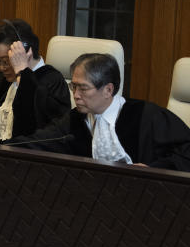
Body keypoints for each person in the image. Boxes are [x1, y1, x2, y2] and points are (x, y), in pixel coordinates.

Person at [11, 53, 190, 171]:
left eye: (83, 88)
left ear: (108, 90)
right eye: (74, 87)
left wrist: (153, 168)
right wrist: (0, 148)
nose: (76, 95)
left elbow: (185, 153)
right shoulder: (75, 119)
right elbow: (40, 141)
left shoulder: (147, 116)